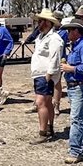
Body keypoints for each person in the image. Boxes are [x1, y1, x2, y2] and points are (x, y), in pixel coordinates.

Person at [60, 19, 83, 163]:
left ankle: (75, 151)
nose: (68, 33)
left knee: (76, 118)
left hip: (81, 86)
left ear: (76, 31)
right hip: (75, 86)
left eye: (70, 30)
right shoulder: (78, 46)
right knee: (80, 117)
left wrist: (71, 68)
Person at [29, 9, 65, 143]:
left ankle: (43, 132)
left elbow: (55, 57)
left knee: (40, 103)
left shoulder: (54, 38)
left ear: (47, 23)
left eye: (40, 21)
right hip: (39, 74)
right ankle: (49, 128)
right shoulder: (41, 37)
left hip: (45, 75)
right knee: (47, 102)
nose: (38, 23)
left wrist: (49, 74)